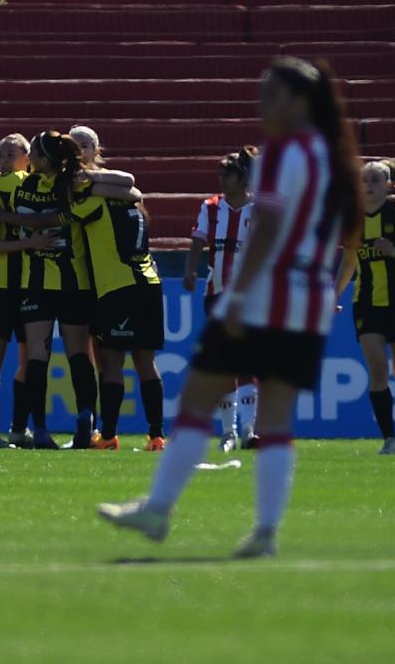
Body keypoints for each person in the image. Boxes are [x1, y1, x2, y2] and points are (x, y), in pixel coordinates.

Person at [97, 56, 364, 558]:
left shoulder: (283, 152)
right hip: (307, 295)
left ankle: (159, 507)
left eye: (273, 94)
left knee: (199, 396)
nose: (263, 104)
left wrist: (239, 294)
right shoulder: (331, 155)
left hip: (268, 291)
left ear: (299, 102)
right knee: (277, 419)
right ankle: (265, 533)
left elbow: (266, 228)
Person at [0, 165, 166, 453]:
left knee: (108, 362)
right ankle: (135, 434)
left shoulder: (85, 195)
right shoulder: (107, 196)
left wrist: (2, 216)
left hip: (103, 286)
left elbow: (48, 218)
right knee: (126, 361)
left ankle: (99, 432)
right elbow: (132, 186)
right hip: (136, 282)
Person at [69, 124, 166, 450]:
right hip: (148, 281)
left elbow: (67, 214)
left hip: (118, 287)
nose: (79, 151)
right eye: (74, 145)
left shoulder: (91, 193)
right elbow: (133, 189)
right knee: (143, 362)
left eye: (84, 145)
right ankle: (156, 435)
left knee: (112, 364)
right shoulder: (122, 192)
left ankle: (108, 436)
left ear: (96, 151)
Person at [335, 157, 395, 455]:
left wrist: (394, 251)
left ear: (389, 185)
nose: (369, 186)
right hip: (366, 304)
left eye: (375, 181)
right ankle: (390, 439)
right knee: (377, 370)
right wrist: (332, 294)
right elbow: (349, 261)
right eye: (364, 181)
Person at [0, 133, 59, 449]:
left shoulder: (25, 187)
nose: (5, 159)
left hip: (30, 284)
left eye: (12, 153)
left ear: (28, 156)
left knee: (29, 359)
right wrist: (31, 243)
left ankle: (18, 429)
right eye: (1, 153)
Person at [183, 146, 260, 452]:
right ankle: (229, 431)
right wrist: (190, 271)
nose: (220, 179)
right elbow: (198, 242)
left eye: (226, 174)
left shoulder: (260, 209)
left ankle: (250, 430)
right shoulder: (211, 208)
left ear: (243, 178)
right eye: (219, 174)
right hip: (216, 294)